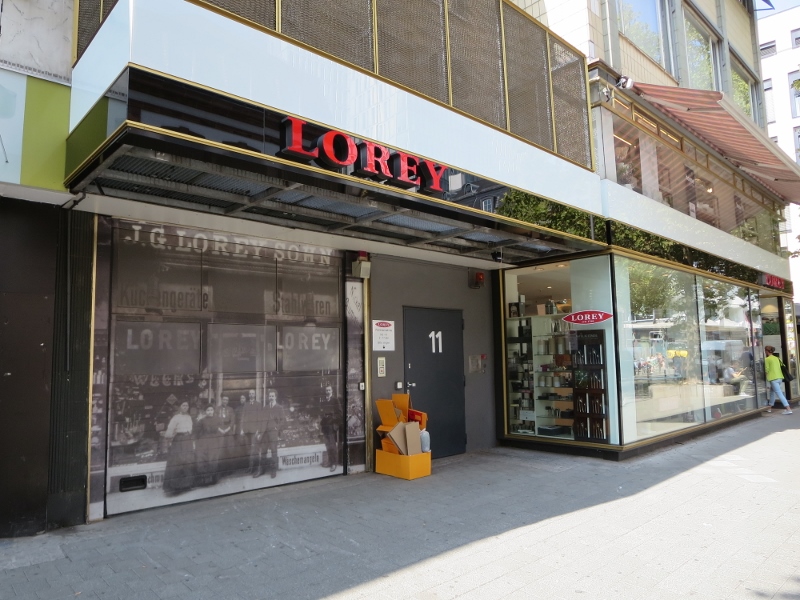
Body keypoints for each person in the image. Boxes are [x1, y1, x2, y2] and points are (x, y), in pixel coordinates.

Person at [163, 401, 195, 495]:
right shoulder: (176, 417)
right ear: (180, 407)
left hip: (187, 440)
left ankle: (187, 485)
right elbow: (169, 431)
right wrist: (170, 439)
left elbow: (190, 430)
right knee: (178, 462)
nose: (185, 407)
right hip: (179, 441)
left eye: (187, 405)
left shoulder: (189, 417)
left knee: (188, 461)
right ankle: (175, 487)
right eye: (183, 405)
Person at [260, 388, 286, 478]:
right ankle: (262, 470)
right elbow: (262, 420)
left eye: (272, 396)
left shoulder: (279, 407)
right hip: (265, 433)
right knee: (263, 451)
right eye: (270, 396)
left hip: (273, 433)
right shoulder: (266, 408)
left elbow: (283, 420)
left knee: (274, 451)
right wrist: (261, 431)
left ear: (275, 397)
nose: (271, 397)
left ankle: (273, 470)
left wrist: (276, 428)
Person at [194, 405, 222, 486]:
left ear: (213, 411)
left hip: (214, 441)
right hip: (204, 442)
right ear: (205, 412)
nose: (210, 412)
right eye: (208, 410)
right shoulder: (202, 420)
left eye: (211, 410)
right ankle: (205, 480)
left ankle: (213, 479)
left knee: (213, 459)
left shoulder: (217, 419)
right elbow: (197, 431)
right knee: (204, 459)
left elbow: (220, 431)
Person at [239, 390, 266, 475]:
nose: (251, 395)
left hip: (254, 431)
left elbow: (260, 418)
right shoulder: (246, 405)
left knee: (254, 450)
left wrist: (258, 430)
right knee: (248, 450)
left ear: (255, 395)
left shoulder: (258, 405)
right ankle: (250, 467)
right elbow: (243, 417)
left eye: (252, 394)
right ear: (249, 395)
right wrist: (241, 429)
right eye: (250, 394)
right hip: (246, 430)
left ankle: (255, 468)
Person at [319, 384, 342, 472]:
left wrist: (332, 418)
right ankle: (330, 461)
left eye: (329, 390)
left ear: (332, 391)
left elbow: (339, 414)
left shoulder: (335, 400)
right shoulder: (324, 401)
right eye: (326, 390)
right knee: (327, 445)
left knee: (332, 445)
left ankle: (334, 463)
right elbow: (321, 412)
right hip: (325, 426)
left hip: (331, 426)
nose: (328, 392)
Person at [764, 346, 792, 415]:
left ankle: (788, 409)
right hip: (780, 377)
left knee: (779, 394)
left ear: (766, 351)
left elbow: (767, 369)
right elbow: (783, 365)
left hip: (773, 378)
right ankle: (769, 408)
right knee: (772, 392)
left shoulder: (767, 359)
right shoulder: (777, 358)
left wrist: (766, 378)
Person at [216, 395, 235, 476]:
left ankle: (229, 469)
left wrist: (227, 429)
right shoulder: (217, 409)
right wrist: (220, 429)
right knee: (221, 450)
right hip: (219, 430)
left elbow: (233, 421)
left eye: (226, 400)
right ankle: (221, 470)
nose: (225, 401)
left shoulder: (230, 409)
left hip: (228, 430)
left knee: (229, 449)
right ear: (221, 400)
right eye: (224, 399)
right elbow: (214, 420)